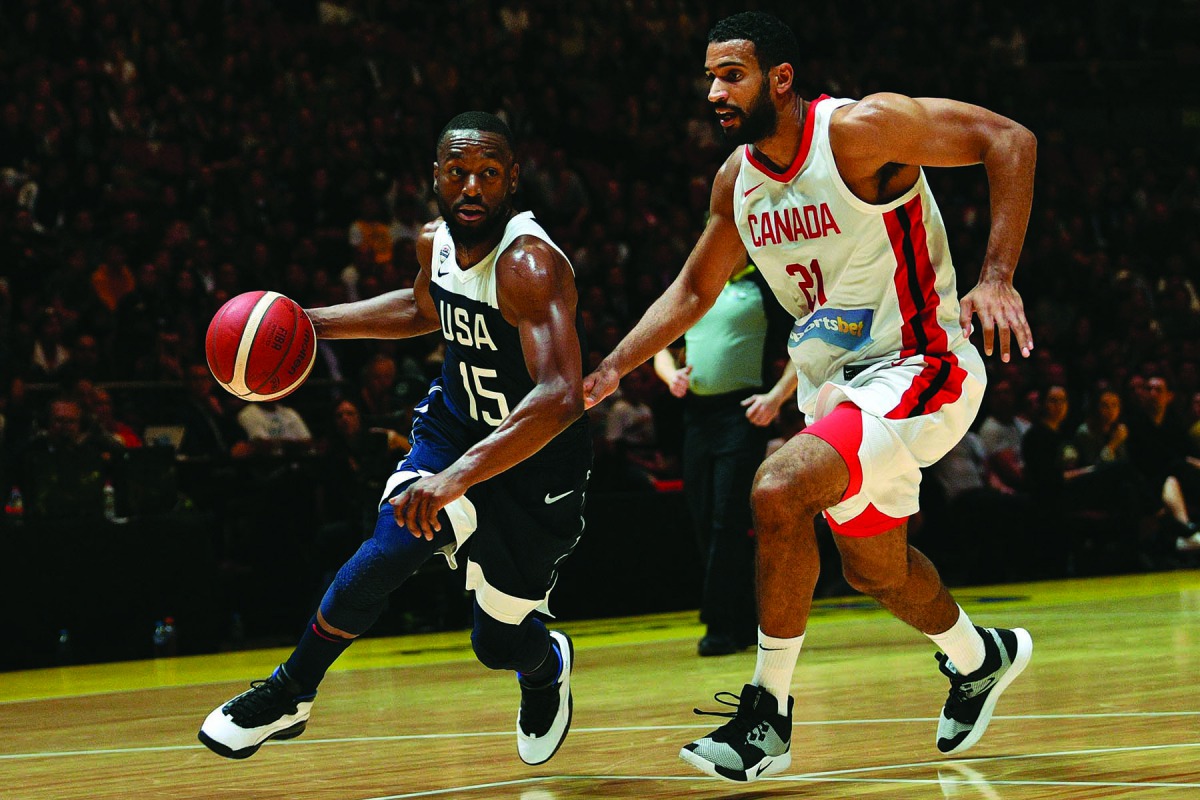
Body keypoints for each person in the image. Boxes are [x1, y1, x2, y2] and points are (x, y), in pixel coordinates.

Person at [583, 11, 1037, 783]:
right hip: (837, 392)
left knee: (779, 488)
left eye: (732, 75)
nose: (715, 93)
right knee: (876, 572)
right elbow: (695, 286)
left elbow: (1011, 140)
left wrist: (995, 277)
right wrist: (614, 366)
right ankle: (979, 657)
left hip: (922, 364)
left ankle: (766, 717)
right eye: (710, 78)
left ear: (780, 79)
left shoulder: (861, 132)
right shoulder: (740, 180)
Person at [198, 112, 591, 768]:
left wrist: (459, 478)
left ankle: (545, 665)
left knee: (496, 643)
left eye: (488, 174)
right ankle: (292, 690)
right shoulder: (432, 242)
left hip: (533, 460)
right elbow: (422, 308)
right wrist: (311, 324)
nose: (471, 187)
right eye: (457, 173)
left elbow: (559, 396)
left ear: (512, 181)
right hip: (455, 426)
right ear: (434, 178)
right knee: (390, 546)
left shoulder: (529, 265)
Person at [652, 263, 796, 656]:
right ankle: (746, 622)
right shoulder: (697, 286)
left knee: (726, 519)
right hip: (697, 417)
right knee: (702, 517)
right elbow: (661, 346)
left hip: (743, 415)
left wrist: (776, 398)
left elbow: (807, 342)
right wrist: (671, 377)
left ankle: (718, 626)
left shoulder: (763, 286)